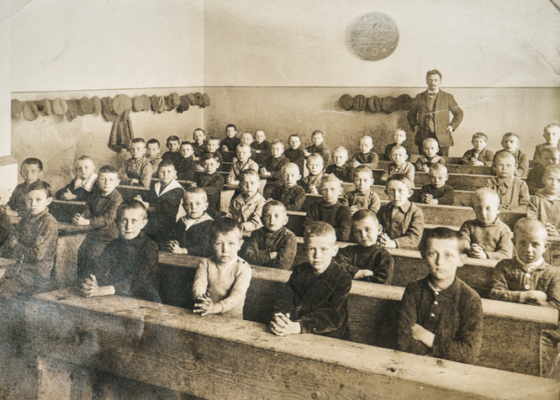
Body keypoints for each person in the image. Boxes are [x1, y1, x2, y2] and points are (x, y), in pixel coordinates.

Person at [397, 227, 483, 364]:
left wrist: (427, 337)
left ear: (461, 260)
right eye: (433, 254)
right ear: (423, 255)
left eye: (448, 255)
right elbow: (403, 338)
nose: (440, 262)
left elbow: (469, 353)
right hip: (412, 365)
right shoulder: (413, 290)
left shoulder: (470, 299)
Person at [270, 222, 352, 339]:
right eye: (311, 249)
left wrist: (299, 326)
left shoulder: (342, 277)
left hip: (327, 335)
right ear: (304, 250)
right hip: (294, 327)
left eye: (323, 249)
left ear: (334, 250)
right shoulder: (300, 270)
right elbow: (286, 295)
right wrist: (281, 314)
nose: (317, 255)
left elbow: (332, 315)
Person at [80, 200, 160, 303]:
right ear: (116, 223)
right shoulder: (113, 245)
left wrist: (100, 290)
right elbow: (98, 269)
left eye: (134, 221)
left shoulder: (150, 247)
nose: (128, 226)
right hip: (115, 296)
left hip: (144, 300)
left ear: (143, 223)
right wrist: (90, 283)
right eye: (123, 220)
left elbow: (134, 281)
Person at [0, 181, 58, 299]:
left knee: (4, 291)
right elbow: (9, 241)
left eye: (38, 200)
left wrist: (16, 246)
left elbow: (36, 254)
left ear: (48, 200)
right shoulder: (26, 218)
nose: (33, 204)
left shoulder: (48, 222)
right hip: (18, 269)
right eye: (29, 199)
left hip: (36, 275)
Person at [489, 218, 560, 310]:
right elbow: (495, 294)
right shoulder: (503, 266)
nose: (528, 250)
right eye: (522, 243)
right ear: (514, 243)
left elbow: (556, 305)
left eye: (535, 245)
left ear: (545, 247)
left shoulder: (554, 273)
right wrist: (526, 296)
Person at [192, 218, 252, 318]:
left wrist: (215, 307)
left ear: (239, 245)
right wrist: (201, 299)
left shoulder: (243, 268)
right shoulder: (205, 263)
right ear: (211, 243)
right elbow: (199, 285)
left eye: (231, 244)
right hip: (206, 312)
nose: (225, 249)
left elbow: (237, 296)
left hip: (231, 318)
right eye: (219, 243)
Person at [74, 165, 123, 284]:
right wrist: (81, 218)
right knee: (82, 252)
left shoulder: (117, 199)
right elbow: (87, 210)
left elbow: (108, 218)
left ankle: (94, 284)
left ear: (117, 182)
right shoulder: (94, 195)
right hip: (93, 234)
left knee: (93, 257)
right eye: (103, 179)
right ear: (97, 181)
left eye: (111, 180)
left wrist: (87, 222)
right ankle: (81, 283)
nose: (106, 183)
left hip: (108, 237)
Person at [407, 69, 464, 156]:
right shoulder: (419, 97)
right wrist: (414, 125)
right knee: (423, 162)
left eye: (436, 80)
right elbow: (411, 114)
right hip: (423, 134)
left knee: (442, 162)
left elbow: (459, 113)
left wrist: (452, 127)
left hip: (442, 136)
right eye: (430, 80)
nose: (433, 82)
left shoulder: (448, 97)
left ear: (440, 82)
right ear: (426, 81)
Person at [335, 210, 394, 283]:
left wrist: (351, 276)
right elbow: (336, 267)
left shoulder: (383, 256)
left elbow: (382, 281)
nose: (363, 235)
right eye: (357, 231)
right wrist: (359, 273)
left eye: (367, 229)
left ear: (379, 230)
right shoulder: (347, 251)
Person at [135, 160, 184, 245]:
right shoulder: (155, 186)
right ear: (158, 173)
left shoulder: (177, 189)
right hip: (152, 221)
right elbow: (148, 198)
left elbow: (166, 206)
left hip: (168, 224)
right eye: (162, 172)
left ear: (174, 173)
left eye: (169, 171)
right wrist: (141, 198)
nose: (165, 175)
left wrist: (148, 205)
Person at [240, 201, 297, 270]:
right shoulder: (256, 234)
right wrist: (270, 255)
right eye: (267, 216)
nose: (271, 220)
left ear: (285, 220)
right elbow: (248, 257)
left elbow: (283, 265)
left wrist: (259, 256)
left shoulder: (289, 237)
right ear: (261, 219)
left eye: (276, 216)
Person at [459, 188, 513, 260]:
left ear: (498, 209)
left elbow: (506, 255)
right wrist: (471, 249)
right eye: (478, 208)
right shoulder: (468, 226)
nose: (483, 213)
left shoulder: (504, 229)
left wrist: (486, 255)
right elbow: (462, 242)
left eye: (488, 208)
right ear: (474, 209)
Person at [377, 174, 424, 250]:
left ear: (409, 193)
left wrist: (394, 243)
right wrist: (380, 237)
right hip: (384, 247)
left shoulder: (415, 212)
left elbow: (414, 237)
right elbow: (377, 228)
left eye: (400, 191)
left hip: (405, 251)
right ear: (386, 193)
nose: (396, 195)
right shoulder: (383, 209)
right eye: (391, 190)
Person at [164, 188, 214, 257]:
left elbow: (205, 248)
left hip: (198, 260)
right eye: (188, 204)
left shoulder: (209, 224)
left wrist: (182, 250)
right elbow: (173, 236)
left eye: (198, 203)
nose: (193, 207)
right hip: (178, 257)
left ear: (205, 206)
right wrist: (172, 243)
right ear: (184, 206)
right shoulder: (181, 221)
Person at [303, 174, 352, 242]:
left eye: (333, 189)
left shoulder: (344, 210)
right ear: (320, 191)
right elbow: (307, 229)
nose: (328, 193)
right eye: (325, 189)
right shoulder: (313, 208)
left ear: (340, 191)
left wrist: (317, 230)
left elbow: (343, 235)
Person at [528, 164, 560, 237]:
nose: (554, 183)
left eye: (559, 180)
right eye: (550, 179)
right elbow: (531, 219)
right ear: (544, 180)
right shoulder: (535, 199)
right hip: (538, 236)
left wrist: (557, 232)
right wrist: (542, 229)